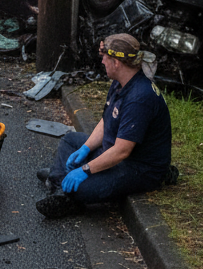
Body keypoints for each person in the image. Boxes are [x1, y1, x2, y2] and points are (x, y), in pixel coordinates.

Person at [36, 33, 172, 219]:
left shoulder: (139, 98)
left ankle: (62, 187)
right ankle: (61, 184)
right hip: (114, 151)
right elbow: (107, 120)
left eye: (105, 58)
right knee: (70, 140)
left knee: (82, 188)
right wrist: (86, 148)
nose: (102, 62)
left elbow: (122, 152)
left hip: (137, 166)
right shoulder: (120, 82)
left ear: (116, 62)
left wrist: (85, 170)